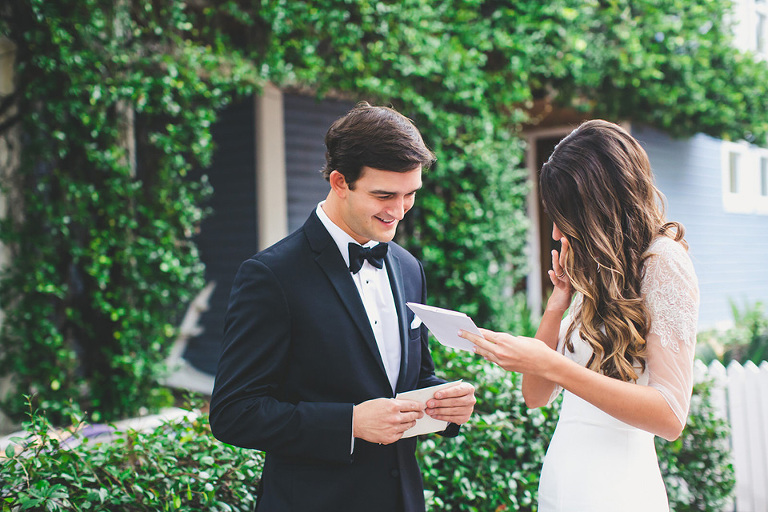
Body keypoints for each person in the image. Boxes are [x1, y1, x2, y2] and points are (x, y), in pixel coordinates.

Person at [209, 101, 476, 512]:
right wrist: (349, 423)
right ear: (339, 181)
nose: (399, 210)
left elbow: (413, 377)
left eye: (410, 195)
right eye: (384, 194)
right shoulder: (270, 275)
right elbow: (233, 412)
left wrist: (442, 401)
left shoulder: (408, 267)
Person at [460, 120, 699, 511]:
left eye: (565, 215)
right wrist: (558, 303)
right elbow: (535, 396)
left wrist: (555, 364)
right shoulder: (601, 274)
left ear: (601, 206)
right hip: (563, 484)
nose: (556, 233)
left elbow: (671, 416)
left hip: (616, 491)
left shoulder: (663, 263)